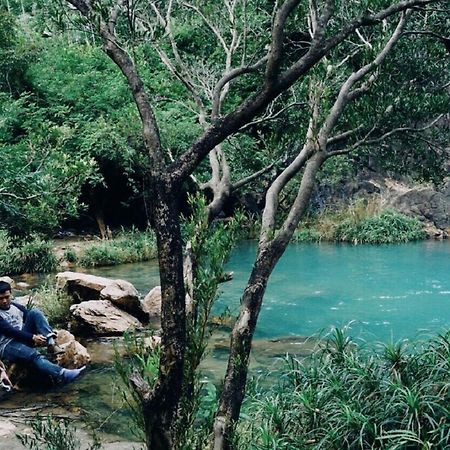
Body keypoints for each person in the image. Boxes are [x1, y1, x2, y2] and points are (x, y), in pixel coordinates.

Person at [0, 280, 85, 384]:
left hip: (21, 338)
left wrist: (43, 331)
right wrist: (32, 337)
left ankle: (51, 342)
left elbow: (31, 318)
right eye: (1, 299)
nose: (4, 301)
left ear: (11, 294)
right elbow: (10, 331)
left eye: (7, 297)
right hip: (8, 345)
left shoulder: (15, 307)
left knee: (35, 312)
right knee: (34, 355)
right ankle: (63, 374)